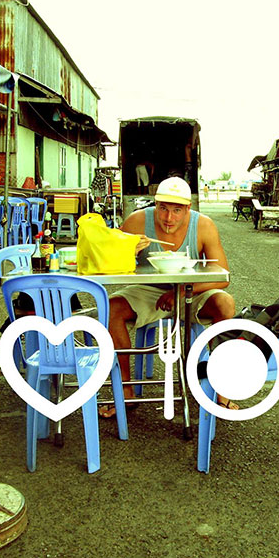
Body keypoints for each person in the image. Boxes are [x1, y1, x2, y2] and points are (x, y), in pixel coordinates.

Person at [103, 176, 236, 416]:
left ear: (188, 209)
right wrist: (125, 251)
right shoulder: (136, 222)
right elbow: (108, 262)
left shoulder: (203, 226)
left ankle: (221, 389)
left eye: (177, 210)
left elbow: (222, 276)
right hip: (149, 291)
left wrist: (182, 291)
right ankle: (126, 391)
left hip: (190, 290)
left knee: (225, 303)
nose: (168, 218)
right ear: (155, 205)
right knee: (110, 308)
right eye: (163, 208)